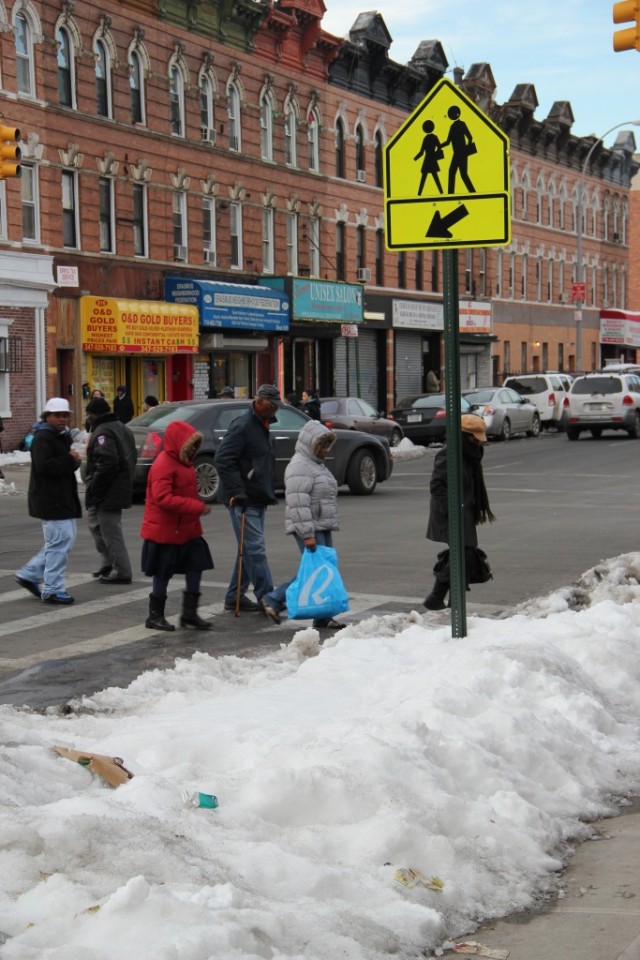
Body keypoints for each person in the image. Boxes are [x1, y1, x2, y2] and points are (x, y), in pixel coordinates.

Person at [261, 419, 343, 629]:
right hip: (310, 527)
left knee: (323, 569)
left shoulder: (315, 465)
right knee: (314, 571)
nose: (326, 450)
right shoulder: (299, 466)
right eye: (322, 445)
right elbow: (298, 503)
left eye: (327, 445)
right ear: (311, 444)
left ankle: (322, 615)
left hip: (320, 524)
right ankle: (275, 599)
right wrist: (307, 534)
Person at [140, 420, 214, 631]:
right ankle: (155, 616)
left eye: (195, 445)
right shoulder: (163, 464)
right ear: (178, 443)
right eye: (190, 444)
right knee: (162, 573)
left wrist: (194, 509)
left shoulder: (185, 463)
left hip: (187, 529)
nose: (193, 449)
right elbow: (163, 498)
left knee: (195, 566)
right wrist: (195, 507)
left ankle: (189, 614)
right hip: (165, 530)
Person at [215, 383, 281, 612]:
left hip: (256, 495)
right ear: (259, 401)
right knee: (255, 549)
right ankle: (268, 598)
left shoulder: (262, 423)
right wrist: (237, 491)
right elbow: (223, 459)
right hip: (244, 498)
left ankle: (234, 596)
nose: (276, 410)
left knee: (247, 548)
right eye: (273, 406)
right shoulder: (244, 425)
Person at [424, 413, 495, 610]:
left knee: (464, 553)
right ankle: (444, 600)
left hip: (465, 511)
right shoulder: (450, 454)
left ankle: (443, 599)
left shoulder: (470, 453)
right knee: (463, 554)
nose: (478, 443)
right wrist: (450, 512)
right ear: (465, 435)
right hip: (451, 513)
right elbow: (437, 485)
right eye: (475, 438)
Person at [14, 397, 82, 605]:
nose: (62, 419)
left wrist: (72, 461)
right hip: (51, 499)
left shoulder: (60, 436)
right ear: (47, 417)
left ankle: (30, 573)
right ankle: (52, 589)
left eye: (65, 415)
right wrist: (70, 460)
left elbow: (61, 466)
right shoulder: (44, 437)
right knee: (59, 543)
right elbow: (46, 467)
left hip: (61, 498)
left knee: (63, 540)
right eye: (57, 415)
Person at [84, 397, 138, 584]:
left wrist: (95, 489)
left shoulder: (104, 431)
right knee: (98, 527)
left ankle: (122, 571)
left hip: (109, 490)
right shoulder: (122, 427)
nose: (88, 418)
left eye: (89, 414)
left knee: (110, 531)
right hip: (118, 487)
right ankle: (108, 562)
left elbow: (107, 462)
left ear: (96, 414)